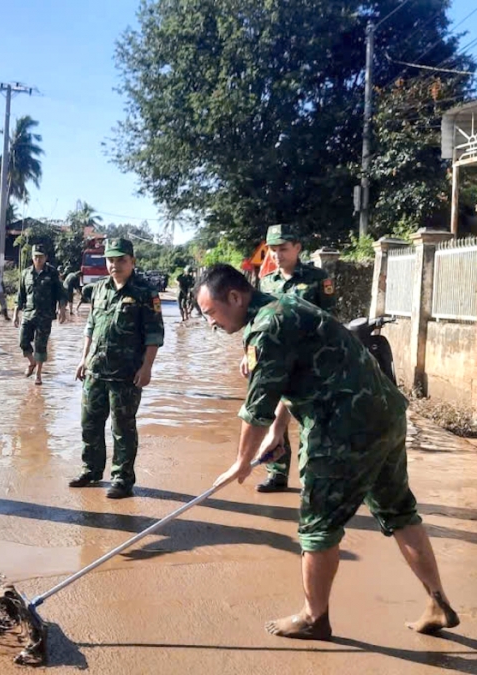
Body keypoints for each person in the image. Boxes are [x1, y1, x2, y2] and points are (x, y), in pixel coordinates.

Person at [196, 263, 458, 641]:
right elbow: (290, 377)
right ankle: (438, 601)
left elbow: (256, 409)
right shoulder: (286, 305)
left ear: (234, 297)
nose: (210, 323)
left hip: (343, 430)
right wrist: (278, 431)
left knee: (318, 526)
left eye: (211, 313)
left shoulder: (266, 327)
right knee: (399, 510)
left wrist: (240, 463)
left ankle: (313, 617)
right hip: (384, 415)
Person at [70, 238, 164, 499]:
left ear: (132, 261)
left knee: (122, 428)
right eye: (110, 260)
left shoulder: (146, 293)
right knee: (89, 424)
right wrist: (83, 359)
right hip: (95, 370)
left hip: (126, 374)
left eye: (121, 260)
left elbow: (154, 334)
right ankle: (91, 470)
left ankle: (122, 479)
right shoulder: (99, 289)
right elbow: (91, 327)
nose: (115, 265)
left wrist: (147, 368)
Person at [251, 223, 337, 494]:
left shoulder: (317, 279)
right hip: (275, 360)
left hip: (309, 362)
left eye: (283, 249)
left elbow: (330, 320)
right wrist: (248, 355)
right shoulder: (267, 282)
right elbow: (257, 322)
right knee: (272, 414)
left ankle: (310, 480)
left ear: (297, 247)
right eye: (273, 250)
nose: (277, 255)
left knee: (309, 419)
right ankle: (276, 473)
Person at [14, 245, 68, 385]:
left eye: (41, 257)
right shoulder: (25, 273)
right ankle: (32, 362)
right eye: (36, 256)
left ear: (46, 258)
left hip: (45, 315)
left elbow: (60, 292)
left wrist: (62, 310)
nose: (38, 259)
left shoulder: (52, 273)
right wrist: (15, 314)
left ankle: (38, 374)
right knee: (23, 342)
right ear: (32, 257)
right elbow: (20, 295)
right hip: (28, 313)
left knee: (40, 345)